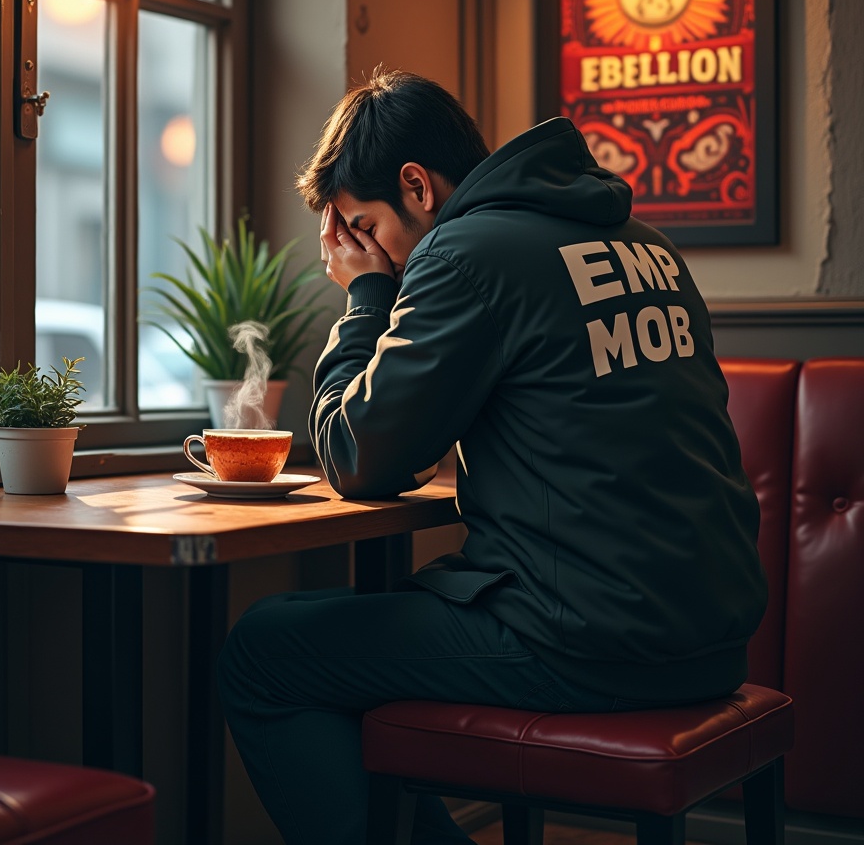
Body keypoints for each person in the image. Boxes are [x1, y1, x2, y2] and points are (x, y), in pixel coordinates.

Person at [216, 67, 767, 845]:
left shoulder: (464, 252)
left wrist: (366, 297)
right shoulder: (646, 246)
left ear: (416, 185)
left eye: (363, 227)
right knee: (326, 623)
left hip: (593, 644)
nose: (366, 252)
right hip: (710, 632)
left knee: (264, 652)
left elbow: (357, 458)